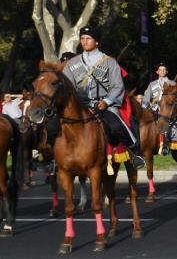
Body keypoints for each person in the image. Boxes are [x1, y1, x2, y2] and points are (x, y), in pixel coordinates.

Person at [62, 26, 145, 169]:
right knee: (52, 124)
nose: (84, 42)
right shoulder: (72, 63)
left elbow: (118, 86)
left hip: (103, 103)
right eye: (82, 38)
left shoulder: (110, 62)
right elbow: (66, 86)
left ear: (96, 42)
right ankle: (50, 157)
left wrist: (106, 102)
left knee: (116, 125)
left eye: (88, 39)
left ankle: (134, 152)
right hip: (79, 105)